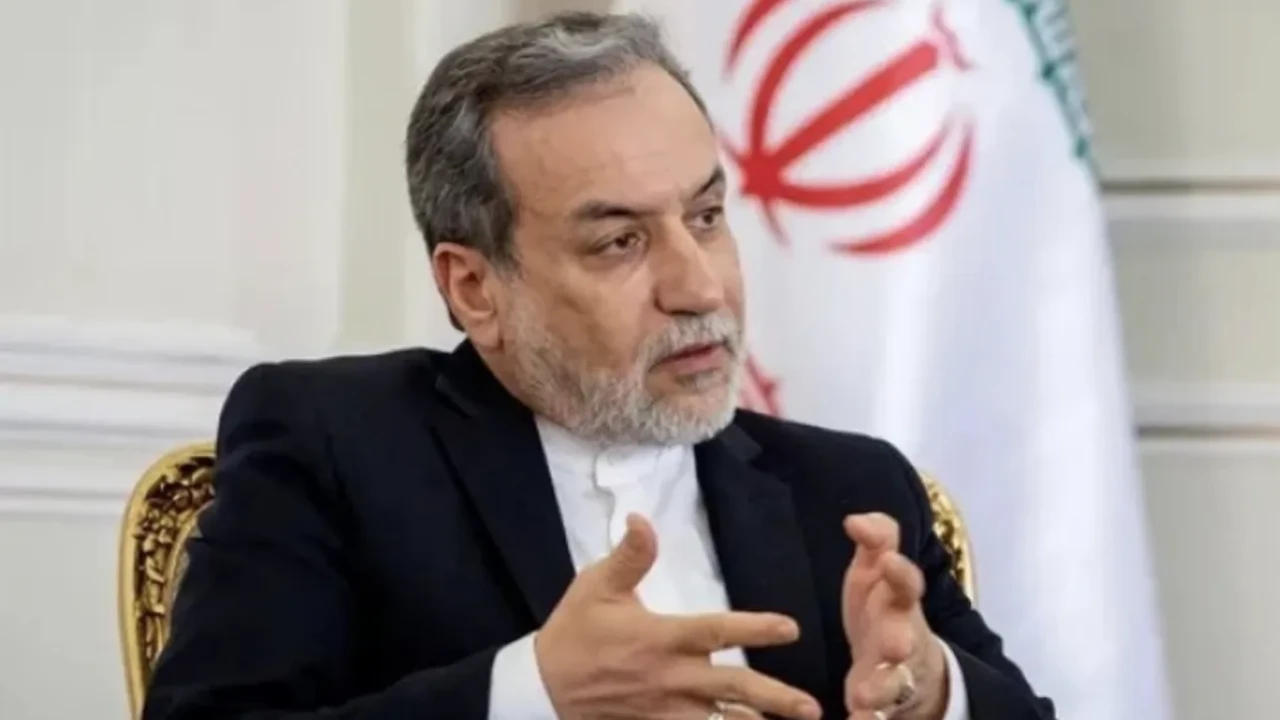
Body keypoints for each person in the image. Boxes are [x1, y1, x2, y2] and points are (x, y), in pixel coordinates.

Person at [143, 11, 1055, 720]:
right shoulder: (336, 446)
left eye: (706, 217)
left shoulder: (847, 492)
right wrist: (534, 693)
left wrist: (928, 691)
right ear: (475, 289)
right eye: (620, 241)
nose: (698, 286)